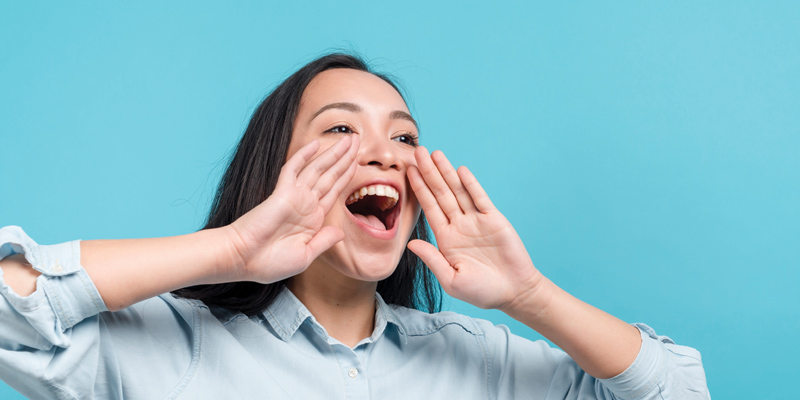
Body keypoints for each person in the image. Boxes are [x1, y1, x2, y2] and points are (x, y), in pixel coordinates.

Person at [0, 53, 710, 399]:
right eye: (341, 129)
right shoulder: (166, 349)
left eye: (404, 139)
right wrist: (233, 248)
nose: (383, 153)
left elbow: (680, 392)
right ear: (279, 170)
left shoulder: (479, 361)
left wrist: (529, 297)